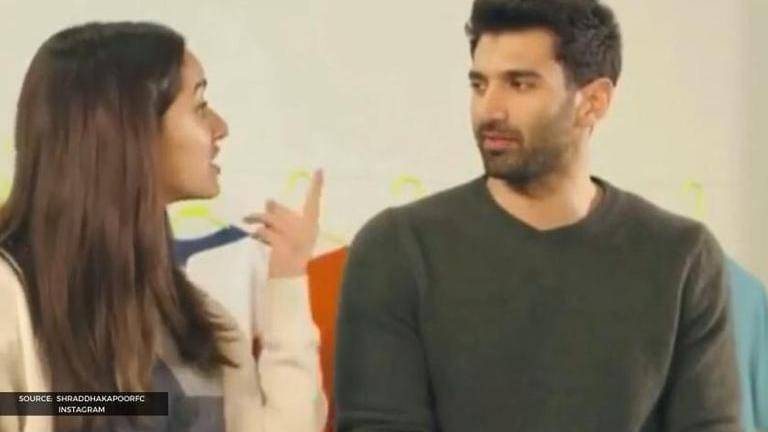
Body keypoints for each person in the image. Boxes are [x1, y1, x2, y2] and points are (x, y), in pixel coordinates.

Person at [333, 0, 741, 430]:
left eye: (520, 84)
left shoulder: (681, 257)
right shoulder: (398, 249)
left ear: (594, 101)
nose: (491, 109)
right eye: (479, 85)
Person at [0, 22, 326, 431]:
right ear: (132, 130)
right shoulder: (10, 296)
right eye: (200, 106)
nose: (220, 128)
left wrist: (288, 279)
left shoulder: (194, 317)